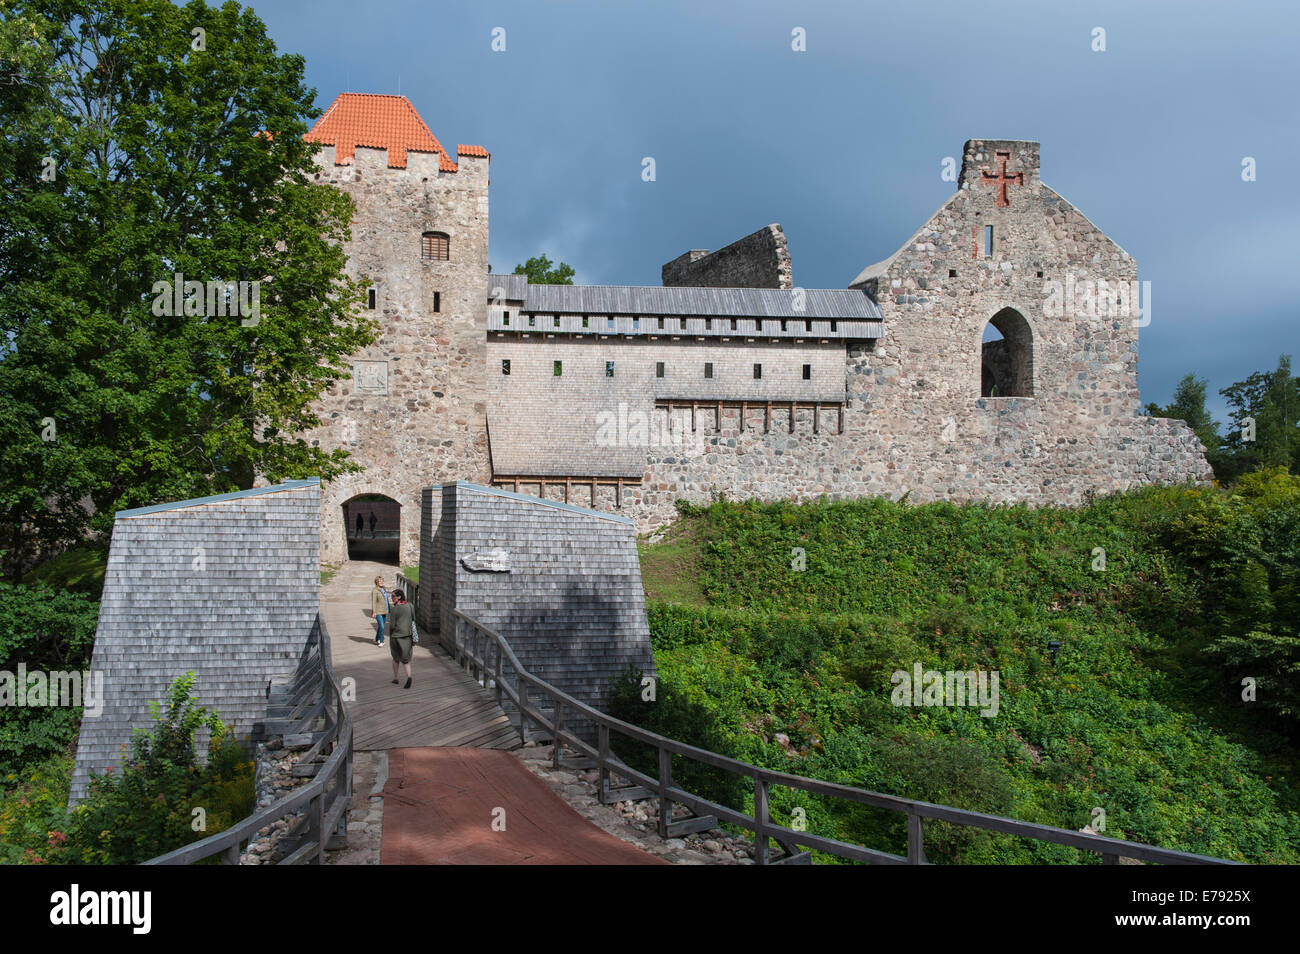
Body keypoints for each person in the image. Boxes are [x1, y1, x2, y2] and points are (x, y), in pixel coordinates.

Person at [387, 590, 415, 689]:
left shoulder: (395, 609)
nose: (392, 598)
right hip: (407, 636)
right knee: (406, 659)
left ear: (399, 597)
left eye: (393, 596)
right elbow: (413, 619)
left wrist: (390, 634)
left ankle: (395, 678)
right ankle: (409, 676)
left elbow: (392, 625)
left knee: (395, 658)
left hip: (396, 636)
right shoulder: (410, 606)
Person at [370, 575, 389, 646]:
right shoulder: (375, 591)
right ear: (376, 582)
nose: (381, 582)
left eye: (382, 581)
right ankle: (382, 641)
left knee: (381, 626)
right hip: (378, 611)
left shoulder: (384, 589)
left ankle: (376, 639)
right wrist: (374, 612)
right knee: (382, 626)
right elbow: (374, 602)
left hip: (385, 610)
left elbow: (386, 600)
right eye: (379, 581)